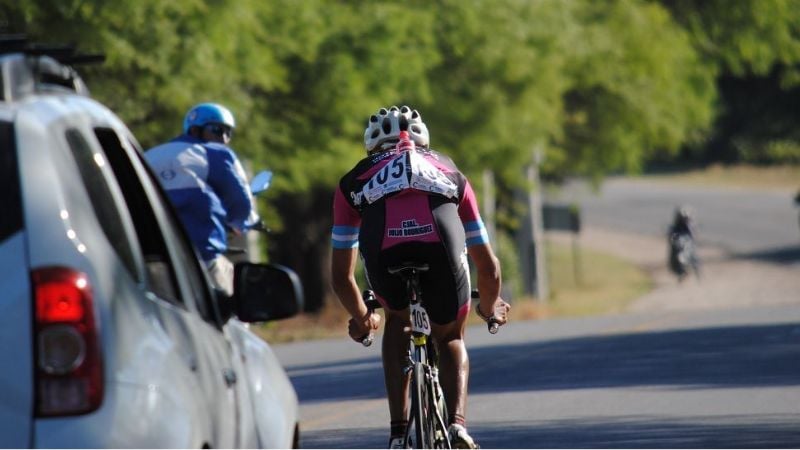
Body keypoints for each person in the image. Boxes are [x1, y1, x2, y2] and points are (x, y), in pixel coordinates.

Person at [330, 105, 510, 449]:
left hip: (384, 251)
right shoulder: (450, 171)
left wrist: (363, 318)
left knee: (397, 320)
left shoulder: (353, 180)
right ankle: (457, 426)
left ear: (371, 149)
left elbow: (341, 276)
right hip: (441, 245)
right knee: (451, 336)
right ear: (424, 141)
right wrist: (489, 305)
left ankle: (398, 433)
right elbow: (489, 268)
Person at [145, 102, 258, 296]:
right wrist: (239, 222)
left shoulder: (148, 155)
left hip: (150, 259)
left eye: (228, 133)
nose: (223, 138)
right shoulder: (215, 154)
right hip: (201, 255)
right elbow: (240, 201)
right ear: (195, 130)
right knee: (231, 309)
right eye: (217, 130)